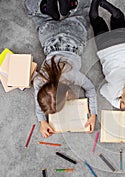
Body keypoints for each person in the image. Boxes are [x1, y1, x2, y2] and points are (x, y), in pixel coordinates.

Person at [24, 0, 97, 137]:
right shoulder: (40, 81)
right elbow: (37, 96)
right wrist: (41, 121)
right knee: (33, 11)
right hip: (49, 36)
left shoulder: (72, 75)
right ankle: (45, 8)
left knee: (83, 12)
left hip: (74, 35)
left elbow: (91, 89)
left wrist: (93, 114)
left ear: (68, 94)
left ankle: (71, 6)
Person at [89, 0, 125, 111]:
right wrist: (118, 103)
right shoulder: (114, 91)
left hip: (122, 45)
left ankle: (108, 7)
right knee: (96, 21)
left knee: (119, 17)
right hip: (105, 49)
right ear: (123, 99)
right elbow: (102, 90)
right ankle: (94, 6)